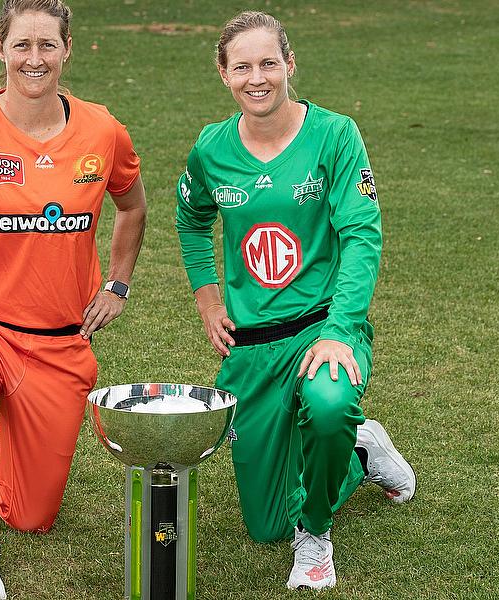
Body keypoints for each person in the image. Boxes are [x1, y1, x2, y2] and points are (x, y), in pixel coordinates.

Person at [0, 1, 146, 598]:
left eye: (47, 45)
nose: (34, 59)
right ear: (0, 48)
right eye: (22, 45)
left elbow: (132, 205)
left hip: (58, 344)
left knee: (32, 515)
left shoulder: (102, 131)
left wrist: (117, 284)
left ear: (68, 50)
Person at [175, 11, 415, 591]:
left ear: (289, 65)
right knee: (266, 525)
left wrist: (341, 328)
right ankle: (360, 454)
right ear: (224, 74)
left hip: (321, 327)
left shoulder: (335, 135)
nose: (256, 78)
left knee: (329, 404)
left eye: (268, 63)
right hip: (252, 347)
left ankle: (317, 536)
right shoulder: (211, 148)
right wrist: (208, 299)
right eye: (242, 67)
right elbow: (191, 219)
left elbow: (362, 234)